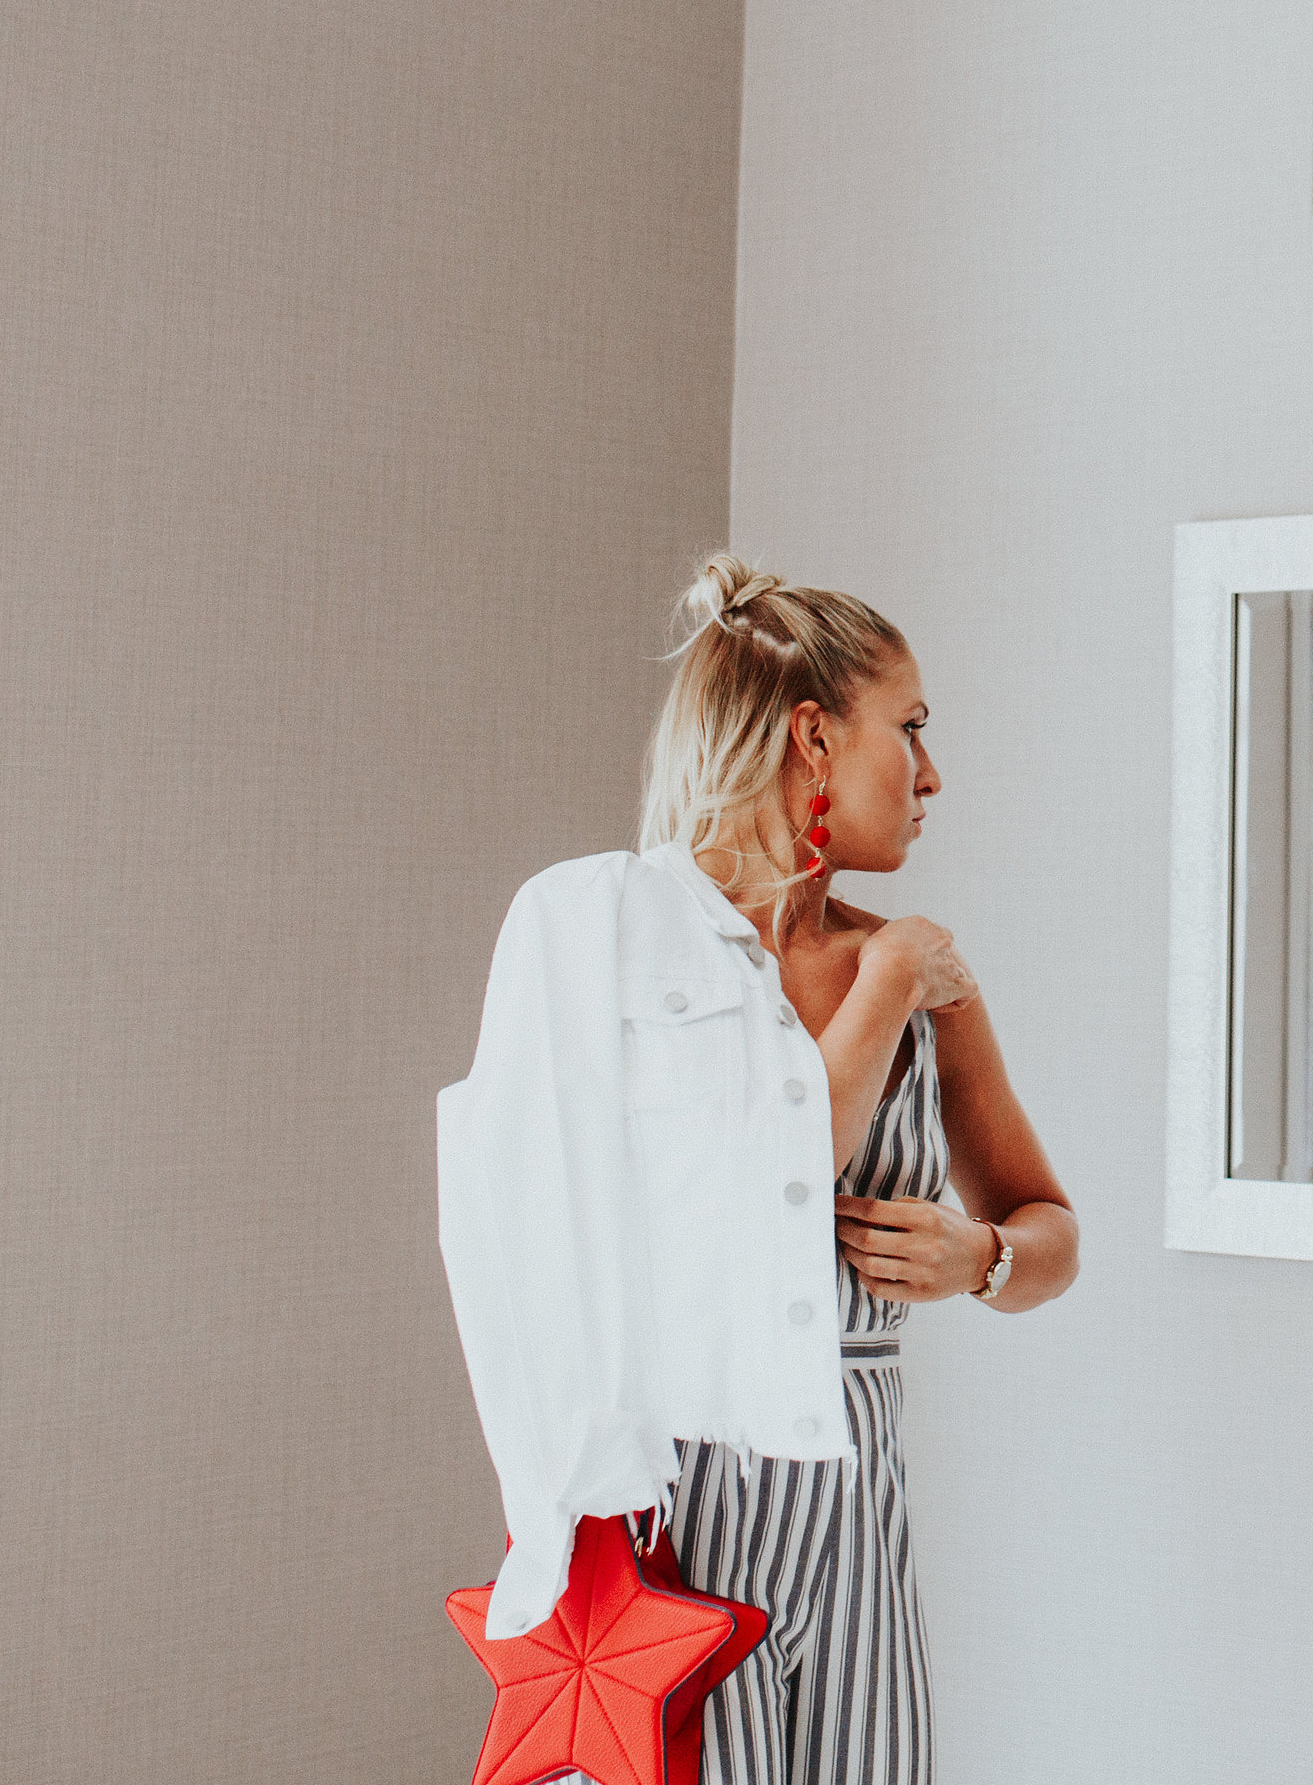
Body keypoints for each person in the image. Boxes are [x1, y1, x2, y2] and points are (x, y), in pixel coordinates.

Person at [438, 553, 1076, 1785]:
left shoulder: (924, 969)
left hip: (862, 1491)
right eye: (912, 728)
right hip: (680, 1494)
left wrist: (982, 1258)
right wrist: (886, 984)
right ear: (814, 737)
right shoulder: (611, 932)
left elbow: (1051, 1231)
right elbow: (757, 1192)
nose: (933, 774)